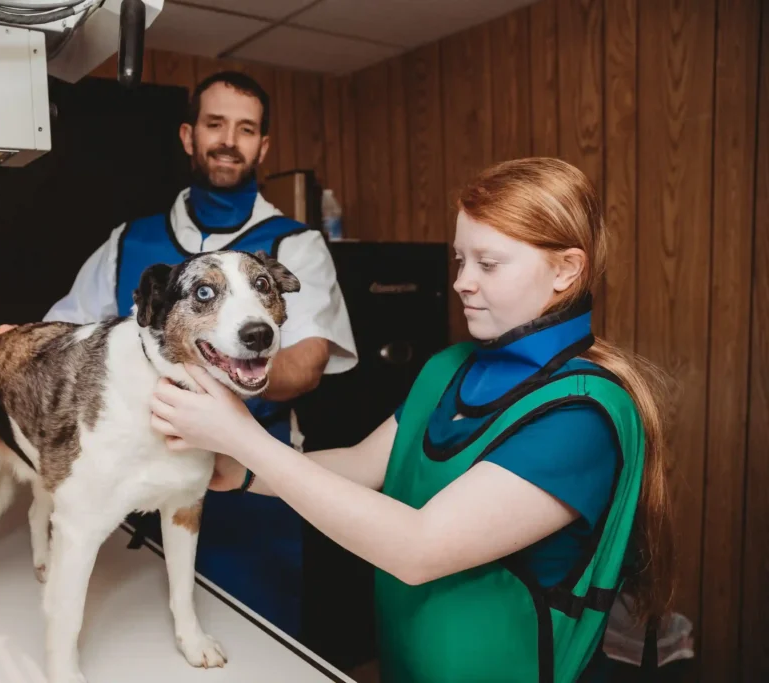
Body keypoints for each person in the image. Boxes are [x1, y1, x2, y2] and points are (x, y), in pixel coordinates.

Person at [149, 157, 675, 682]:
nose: (462, 283)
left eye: (488, 264)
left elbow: (419, 547)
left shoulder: (582, 414)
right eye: (459, 260)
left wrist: (242, 437)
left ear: (566, 269)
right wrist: (238, 471)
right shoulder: (448, 368)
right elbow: (362, 465)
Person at [0, 70, 358, 638]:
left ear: (263, 146)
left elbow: (307, 363)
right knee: (139, 642)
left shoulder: (294, 244)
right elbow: (61, 330)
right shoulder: (128, 240)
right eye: (214, 124)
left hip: (255, 488)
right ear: (187, 135)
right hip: (136, 484)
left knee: (257, 652)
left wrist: (214, 380)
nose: (228, 140)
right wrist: (9, 339)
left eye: (246, 129)